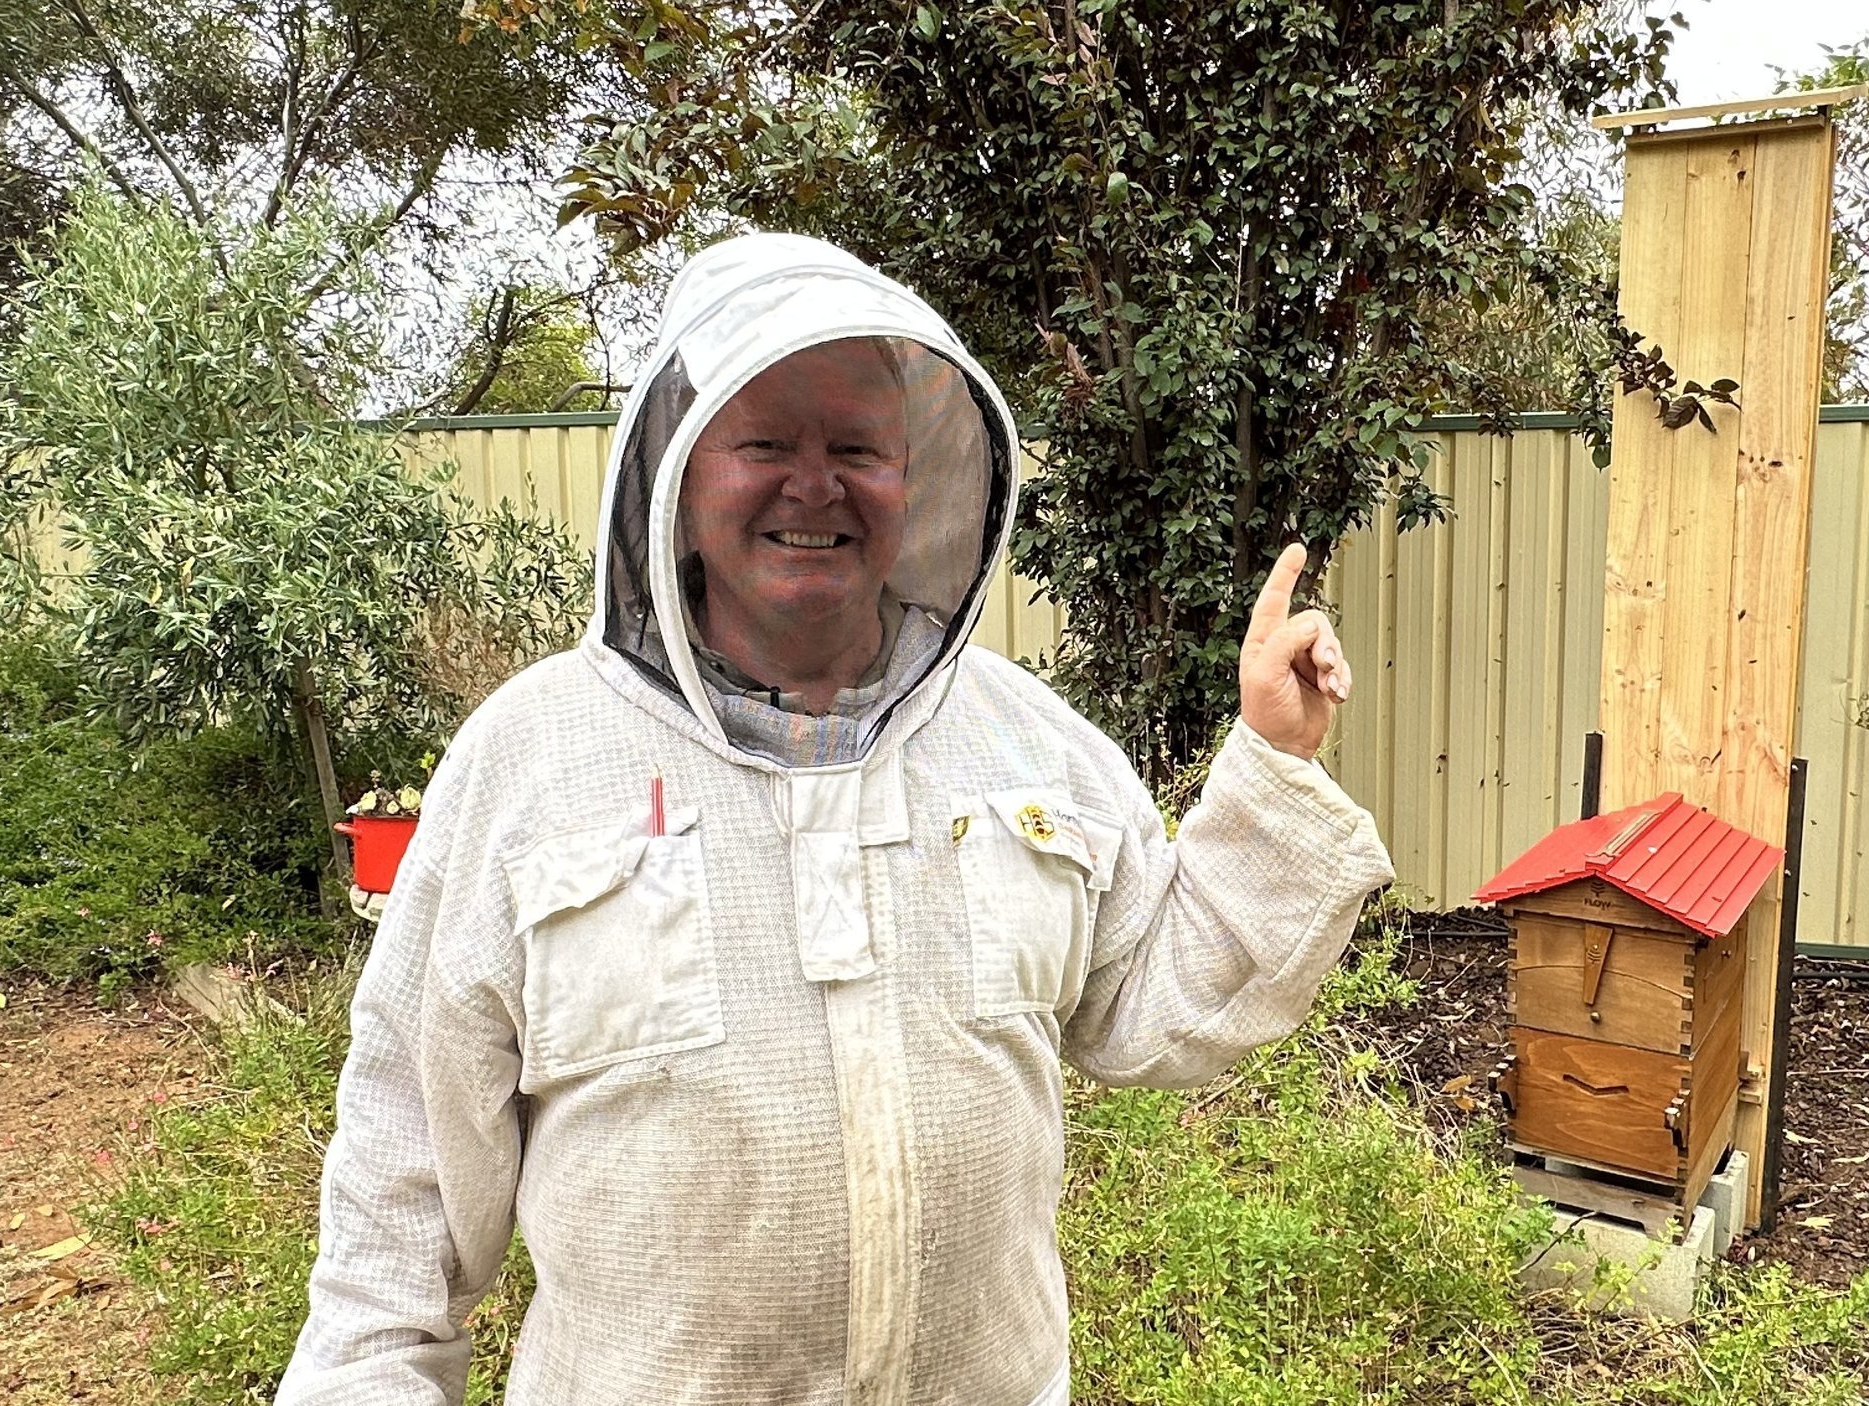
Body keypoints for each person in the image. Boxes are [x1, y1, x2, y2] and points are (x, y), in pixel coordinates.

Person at [277, 233, 1395, 1405]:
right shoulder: (531, 757)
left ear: (915, 484)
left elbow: (1154, 1008)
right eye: (763, 441)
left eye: (857, 447)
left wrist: (1268, 756)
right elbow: (402, 1180)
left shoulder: (1026, 738)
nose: (813, 485)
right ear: (676, 472)